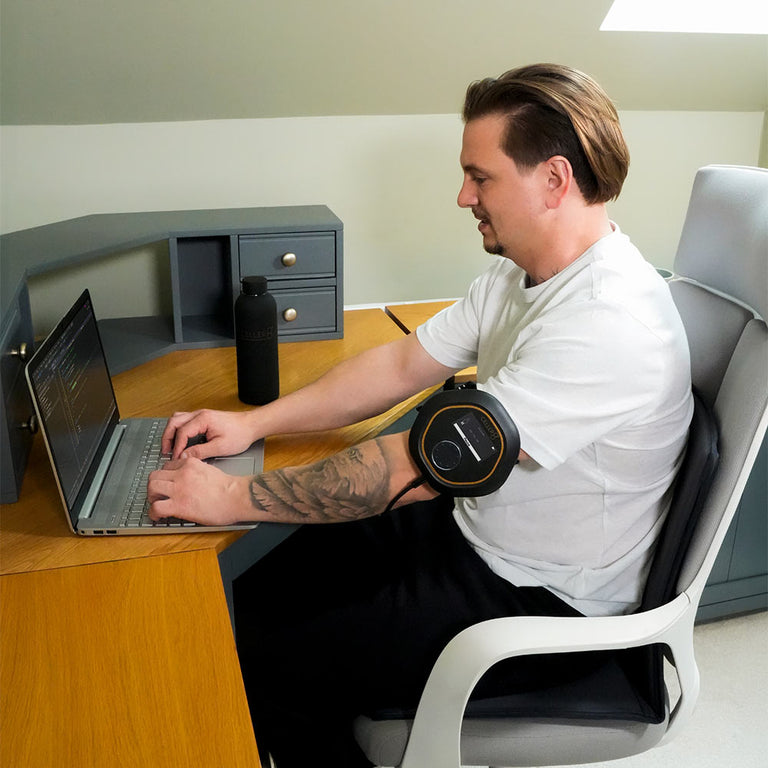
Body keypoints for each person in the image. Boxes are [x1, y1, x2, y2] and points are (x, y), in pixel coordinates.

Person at [148, 63, 692, 767]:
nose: (463, 195)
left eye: (481, 176)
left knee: (265, 659)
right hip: (471, 533)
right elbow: (402, 367)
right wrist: (255, 424)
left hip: (537, 600)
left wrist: (230, 496)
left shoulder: (609, 322)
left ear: (554, 180)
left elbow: (413, 466)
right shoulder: (519, 272)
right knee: (254, 590)